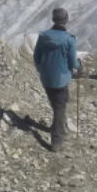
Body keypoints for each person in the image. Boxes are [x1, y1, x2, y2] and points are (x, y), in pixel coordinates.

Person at [33, 8, 82, 152]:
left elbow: (36, 57)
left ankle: (59, 126)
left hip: (46, 77)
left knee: (56, 104)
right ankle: (57, 139)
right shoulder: (69, 39)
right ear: (66, 20)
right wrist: (80, 67)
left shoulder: (43, 36)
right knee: (60, 107)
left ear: (53, 19)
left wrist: (42, 70)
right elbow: (73, 62)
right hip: (61, 79)